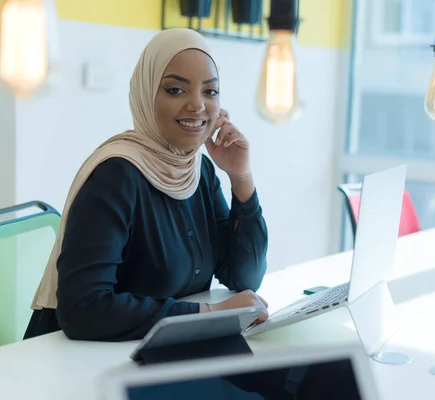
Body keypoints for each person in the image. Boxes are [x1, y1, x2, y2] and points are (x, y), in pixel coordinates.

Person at [24, 28, 269, 341]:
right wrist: (209, 314)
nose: (198, 105)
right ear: (145, 93)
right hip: (75, 369)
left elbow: (244, 275)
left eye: (210, 92)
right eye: (175, 90)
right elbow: (84, 309)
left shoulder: (199, 171)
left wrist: (241, 177)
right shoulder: (116, 175)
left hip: (163, 354)